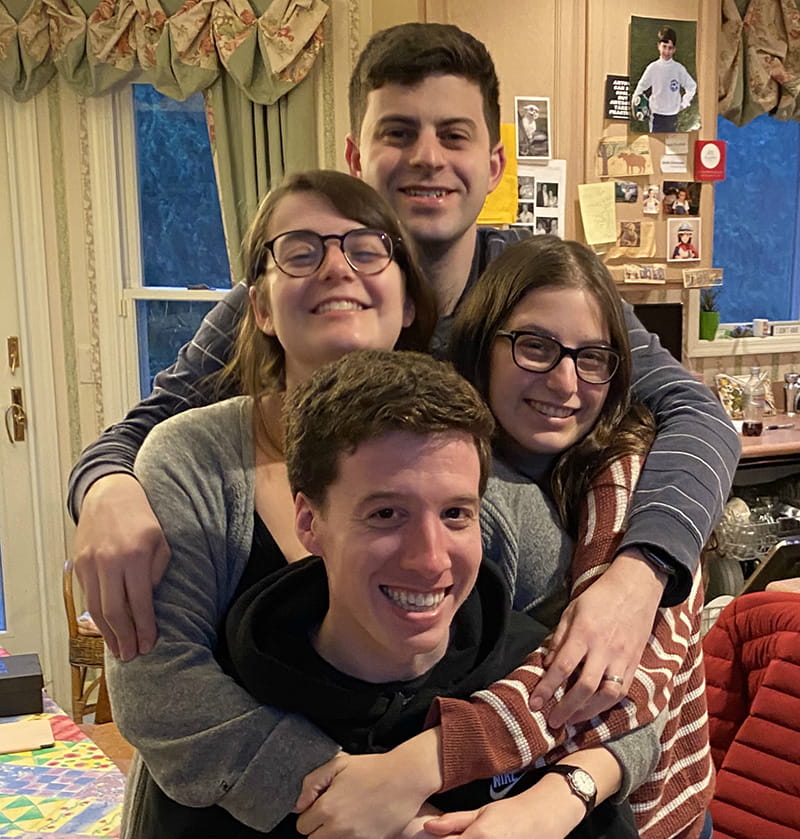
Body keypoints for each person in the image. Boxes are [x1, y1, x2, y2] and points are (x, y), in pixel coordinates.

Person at [71, 21, 738, 727]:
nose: (427, 157)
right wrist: (105, 486)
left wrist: (638, 574)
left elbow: (697, 414)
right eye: (398, 132)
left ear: (495, 163)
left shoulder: (539, 289)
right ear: (356, 157)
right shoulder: (295, 296)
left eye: (454, 135)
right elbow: (149, 427)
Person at [107, 179, 646, 837]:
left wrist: (556, 792)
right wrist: (350, 797)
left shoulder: (488, 483)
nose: (338, 268)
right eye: (301, 251)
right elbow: (157, 687)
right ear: (260, 308)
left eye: (367, 250)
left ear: (410, 301)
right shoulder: (194, 460)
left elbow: (615, 692)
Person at [295, 238, 713, 839]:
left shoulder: (643, 485)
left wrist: (434, 764)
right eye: (535, 346)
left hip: (655, 808)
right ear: (482, 343)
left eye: (593, 357)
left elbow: (635, 685)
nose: (565, 383)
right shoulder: (438, 468)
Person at [631, 26, 697, 133]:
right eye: (664, 47)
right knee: (656, 141)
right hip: (656, 115)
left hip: (673, 116)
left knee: (671, 142)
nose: (666, 51)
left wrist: (684, 103)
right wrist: (634, 100)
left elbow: (692, 86)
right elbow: (641, 86)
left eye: (670, 48)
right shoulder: (653, 68)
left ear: (674, 49)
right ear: (658, 46)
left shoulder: (678, 69)